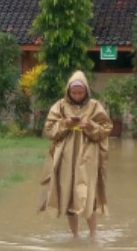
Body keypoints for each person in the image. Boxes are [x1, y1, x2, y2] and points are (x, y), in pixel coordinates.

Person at [38, 70, 112, 237]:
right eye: (74, 92)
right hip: (65, 159)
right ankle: (75, 236)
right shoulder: (60, 107)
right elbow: (50, 131)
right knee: (69, 195)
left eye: (80, 92)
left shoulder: (95, 106)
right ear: (68, 91)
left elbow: (106, 129)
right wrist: (66, 123)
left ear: (86, 91)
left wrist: (90, 126)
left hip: (88, 158)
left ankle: (93, 234)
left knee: (89, 195)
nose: (77, 95)